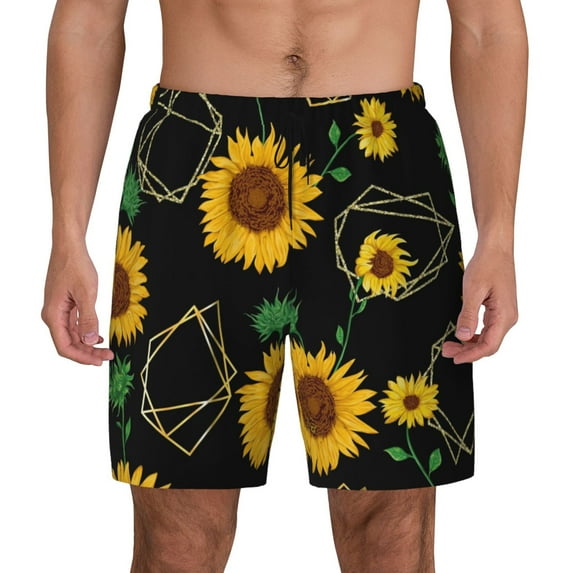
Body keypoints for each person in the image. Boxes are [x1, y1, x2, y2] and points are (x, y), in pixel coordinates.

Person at [42, 0, 527, 571]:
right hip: (195, 156)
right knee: (177, 535)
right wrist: (66, 235)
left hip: (382, 159)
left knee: (390, 529)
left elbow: (487, 25)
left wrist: (499, 236)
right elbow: (89, 23)